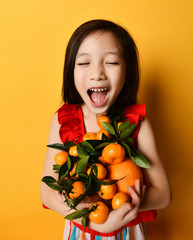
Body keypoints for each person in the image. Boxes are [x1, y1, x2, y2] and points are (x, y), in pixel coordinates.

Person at [40, 19, 171, 239]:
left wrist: (130, 204)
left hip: (126, 231)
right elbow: (47, 192)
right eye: (84, 63)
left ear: (127, 71)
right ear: (70, 70)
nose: (97, 73)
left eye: (111, 62)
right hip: (80, 230)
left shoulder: (136, 124)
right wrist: (93, 220)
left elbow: (164, 194)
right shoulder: (63, 121)